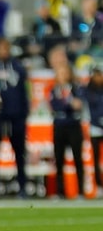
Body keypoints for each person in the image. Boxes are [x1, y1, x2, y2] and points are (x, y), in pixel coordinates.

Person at [0, 37, 31, 198]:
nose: (4, 51)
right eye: (1, 48)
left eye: (6, 48)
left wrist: (25, 113)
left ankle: (22, 186)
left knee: (19, 153)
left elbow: (25, 92)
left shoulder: (19, 68)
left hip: (16, 116)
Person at [49, 64, 85, 199]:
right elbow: (54, 105)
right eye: (60, 73)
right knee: (59, 159)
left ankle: (81, 191)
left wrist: (68, 101)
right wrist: (68, 103)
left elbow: (78, 105)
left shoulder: (75, 89)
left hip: (73, 126)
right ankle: (60, 191)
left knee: (77, 159)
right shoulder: (54, 90)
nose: (63, 76)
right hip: (59, 125)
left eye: (65, 73)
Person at [83, 64, 103, 197]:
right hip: (96, 126)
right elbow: (91, 109)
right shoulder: (89, 90)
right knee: (95, 158)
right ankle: (99, 185)